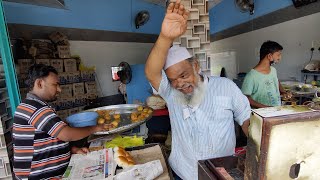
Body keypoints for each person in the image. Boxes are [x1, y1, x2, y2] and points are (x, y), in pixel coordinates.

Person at [144, 1, 251, 179]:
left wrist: (260, 150)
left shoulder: (226, 86)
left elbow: (246, 119)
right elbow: (151, 72)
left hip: (220, 172)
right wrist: (165, 37)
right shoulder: (171, 93)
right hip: (183, 172)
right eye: (172, 80)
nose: (179, 83)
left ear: (196, 66)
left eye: (184, 75)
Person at [13, 64, 107, 179]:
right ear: (39, 83)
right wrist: (95, 128)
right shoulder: (34, 108)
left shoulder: (36, 106)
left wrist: (72, 149)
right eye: (55, 84)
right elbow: (66, 134)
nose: (59, 89)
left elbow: (50, 137)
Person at [241, 41, 291, 108]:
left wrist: (283, 92)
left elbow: (276, 82)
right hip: (261, 115)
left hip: (276, 111)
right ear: (269, 56)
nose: (280, 58)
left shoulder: (273, 70)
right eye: (278, 55)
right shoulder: (251, 76)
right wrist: (266, 108)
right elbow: (245, 98)